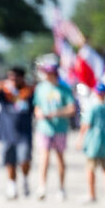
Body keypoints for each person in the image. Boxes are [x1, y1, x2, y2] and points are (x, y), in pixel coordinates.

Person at [0, 66, 34, 200]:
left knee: (24, 160)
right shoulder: (4, 92)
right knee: (10, 162)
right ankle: (12, 185)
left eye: (15, 77)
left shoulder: (28, 92)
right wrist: (4, 84)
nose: (13, 79)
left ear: (22, 78)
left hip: (24, 134)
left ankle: (25, 179)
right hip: (7, 133)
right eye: (10, 77)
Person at [33, 62, 76, 201]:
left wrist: (56, 113)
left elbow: (71, 109)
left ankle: (62, 188)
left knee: (60, 158)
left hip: (60, 128)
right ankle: (42, 187)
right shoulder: (40, 88)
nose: (46, 75)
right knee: (44, 157)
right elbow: (37, 106)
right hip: (44, 128)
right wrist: (39, 114)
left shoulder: (64, 88)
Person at [78, 83, 105, 204]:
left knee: (90, 170)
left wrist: (79, 140)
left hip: (93, 145)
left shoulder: (93, 109)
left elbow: (85, 126)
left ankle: (92, 194)